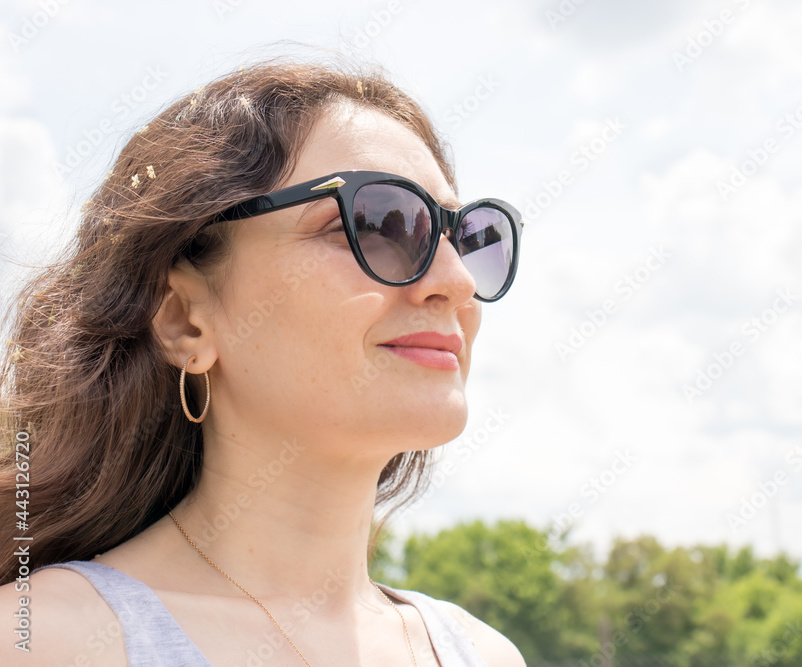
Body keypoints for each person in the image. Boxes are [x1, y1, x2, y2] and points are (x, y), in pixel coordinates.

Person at [0, 56, 525, 666]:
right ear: (184, 319)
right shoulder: (42, 644)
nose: (457, 281)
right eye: (378, 222)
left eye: (462, 235)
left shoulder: (484, 655)